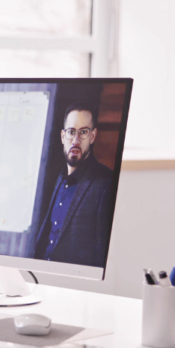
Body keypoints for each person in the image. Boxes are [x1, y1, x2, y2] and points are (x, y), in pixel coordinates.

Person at [32, 105, 115, 267]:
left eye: (83, 132)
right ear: (63, 136)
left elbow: (100, 255)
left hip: (72, 285)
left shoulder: (105, 182)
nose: (76, 140)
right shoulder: (60, 177)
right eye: (71, 132)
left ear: (93, 136)